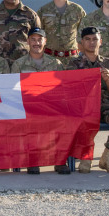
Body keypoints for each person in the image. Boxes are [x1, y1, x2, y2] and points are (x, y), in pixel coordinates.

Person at [67, 27, 109, 174]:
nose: (91, 42)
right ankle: (85, 157)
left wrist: (107, 80)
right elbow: (69, 91)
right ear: (81, 43)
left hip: (105, 105)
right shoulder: (73, 64)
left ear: (100, 42)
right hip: (84, 107)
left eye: (94, 39)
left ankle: (107, 156)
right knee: (82, 120)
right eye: (87, 39)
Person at [11, 27, 65, 174]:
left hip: (51, 107)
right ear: (28, 41)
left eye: (40, 39)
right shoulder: (19, 65)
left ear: (45, 41)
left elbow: (61, 90)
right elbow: (13, 91)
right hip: (27, 107)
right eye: (33, 40)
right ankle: (33, 159)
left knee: (64, 119)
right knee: (31, 120)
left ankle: (60, 160)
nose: (36, 43)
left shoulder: (56, 64)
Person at [37, 0, 85, 64]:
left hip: (72, 60)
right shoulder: (43, 11)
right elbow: (38, 34)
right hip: (49, 59)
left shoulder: (77, 10)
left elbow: (85, 34)